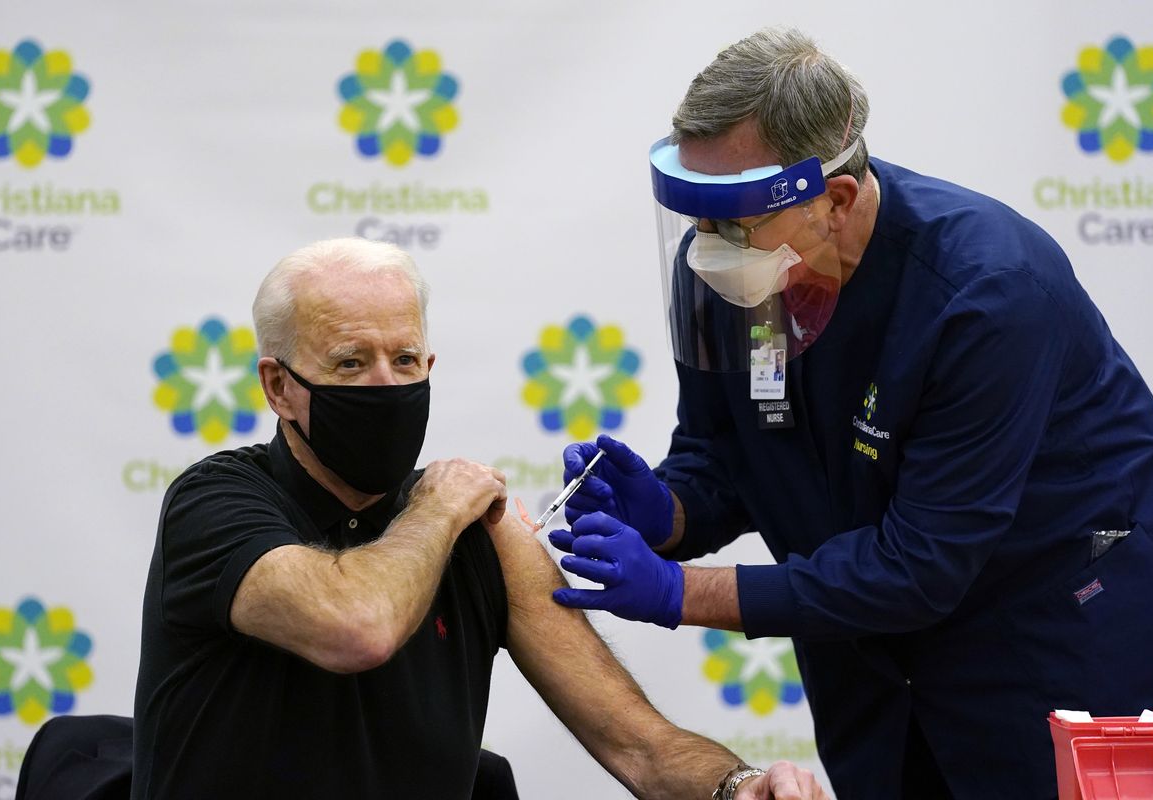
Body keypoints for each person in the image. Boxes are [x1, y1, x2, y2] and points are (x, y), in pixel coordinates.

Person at [551, 27, 1153, 799]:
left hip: (1057, 650)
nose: (706, 248)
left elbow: (919, 565)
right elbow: (729, 454)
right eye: (698, 219)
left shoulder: (987, 293)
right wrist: (670, 511)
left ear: (838, 201)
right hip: (877, 673)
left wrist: (679, 592)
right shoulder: (740, 275)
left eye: (733, 223)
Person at [131, 237, 827, 800]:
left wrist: (737, 788)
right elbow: (356, 626)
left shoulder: (479, 537)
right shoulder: (216, 502)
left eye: (404, 360)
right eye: (350, 363)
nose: (386, 385)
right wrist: (435, 508)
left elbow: (638, 744)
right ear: (279, 386)